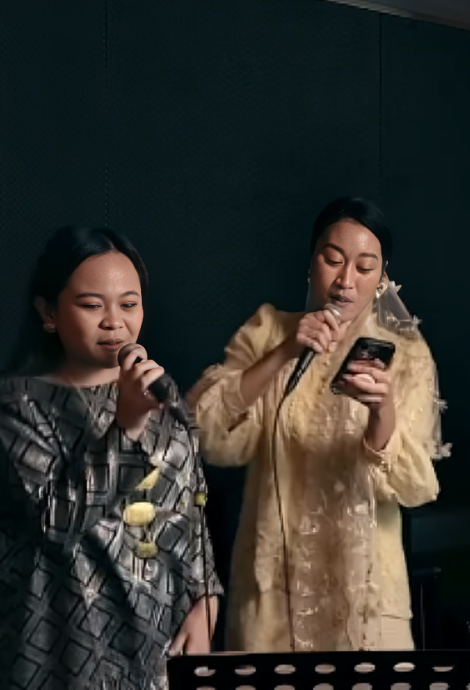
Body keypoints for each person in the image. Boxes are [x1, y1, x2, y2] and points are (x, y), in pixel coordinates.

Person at [188, 196, 447, 653]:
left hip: (368, 597)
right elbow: (206, 432)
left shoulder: (407, 354)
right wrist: (284, 351)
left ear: (382, 279)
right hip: (273, 596)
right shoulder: (268, 330)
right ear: (312, 263)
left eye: (364, 267)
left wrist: (382, 409)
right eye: (333, 260)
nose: (346, 280)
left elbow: (413, 486)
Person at [0, 227, 222, 690]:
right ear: (48, 313)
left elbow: (191, 512)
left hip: (158, 652)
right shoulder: (18, 405)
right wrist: (128, 425)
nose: (114, 322)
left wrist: (205, 598)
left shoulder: (158, 396)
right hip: (64, 648)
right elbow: (56, 522)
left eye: (128, 303)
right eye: (91, 305)